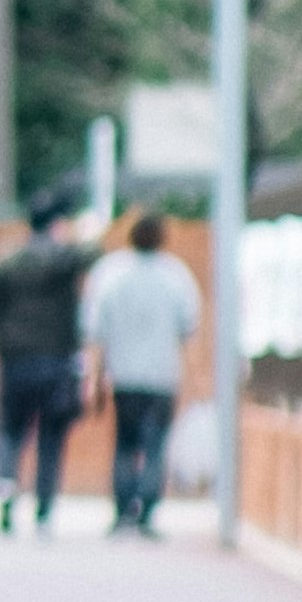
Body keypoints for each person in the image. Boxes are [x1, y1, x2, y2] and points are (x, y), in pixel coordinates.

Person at [0, 190, 94, 533]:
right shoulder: (66, 259)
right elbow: (93, 253)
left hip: (16, 360)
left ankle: (7, 483)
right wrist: (81, 233)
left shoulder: (8, 262)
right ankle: (44, 510)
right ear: (56, 224)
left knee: (10, 429)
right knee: (51, 437)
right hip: (57, 361)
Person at [81, 203, 206, 534]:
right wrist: (195, 378)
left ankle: (123, 510)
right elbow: (189, 332)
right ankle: (147, 510)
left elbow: (95, 331)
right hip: (163, 375)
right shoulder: (176, 275)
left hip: (123, 375)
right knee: (155, 445)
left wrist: (94, 375)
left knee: (124, 443)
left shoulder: (110, 272)